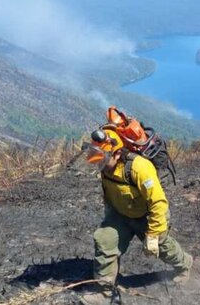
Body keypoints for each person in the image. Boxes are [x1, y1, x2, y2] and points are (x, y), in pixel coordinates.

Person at [81, 128, 193, 304]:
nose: (98, 161)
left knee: (162, 248)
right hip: (121, 214)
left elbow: (158, 203)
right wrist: (109, 219)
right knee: (104, 240)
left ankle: (184, 265)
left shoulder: (139, 167)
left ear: (117, 154)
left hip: (148, 216)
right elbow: (109, 194)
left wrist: (153, 235)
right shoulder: (106, 166)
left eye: (102, 156)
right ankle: (105, 292)